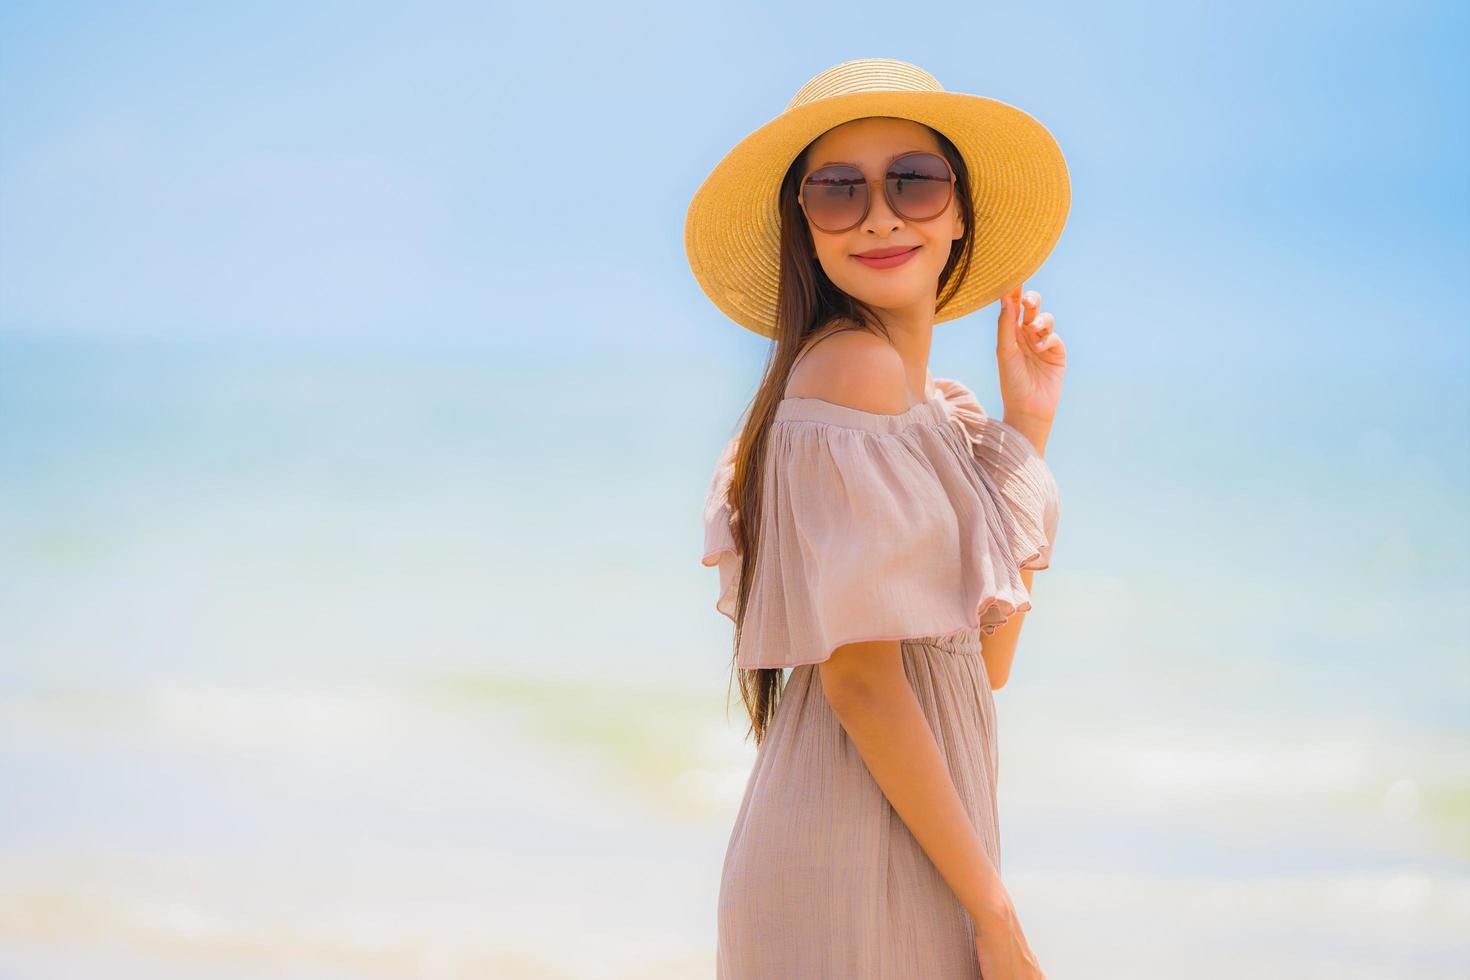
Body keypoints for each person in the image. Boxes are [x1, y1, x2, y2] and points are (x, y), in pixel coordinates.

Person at [687, 58, 1070, 979]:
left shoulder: (933, 410)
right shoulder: (847, 374)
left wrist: (1028, 427)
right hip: (861, 846)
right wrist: (997, 913)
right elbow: (862, 682)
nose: (882, 215)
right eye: (837, 191)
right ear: (803, 227)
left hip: (921, 833)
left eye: (914, 181)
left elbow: (980, 668)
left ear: (960, 211)